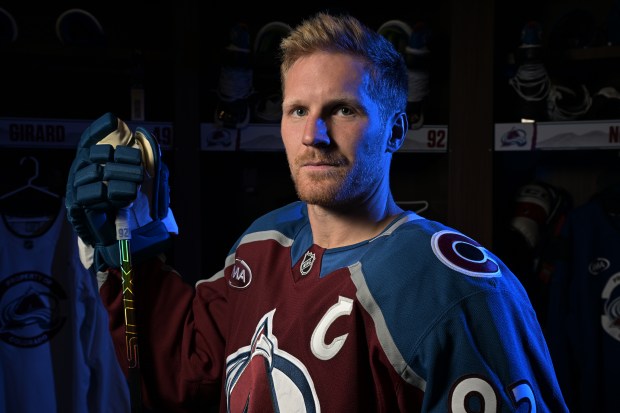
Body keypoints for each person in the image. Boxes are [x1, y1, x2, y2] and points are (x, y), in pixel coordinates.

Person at [65, 11, 569, 412]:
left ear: (395, 130)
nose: (314, 136)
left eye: (343, 110)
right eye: (298, 110)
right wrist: (127, 248)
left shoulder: (456, 289)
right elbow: (183, 371)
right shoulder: (264, 243)